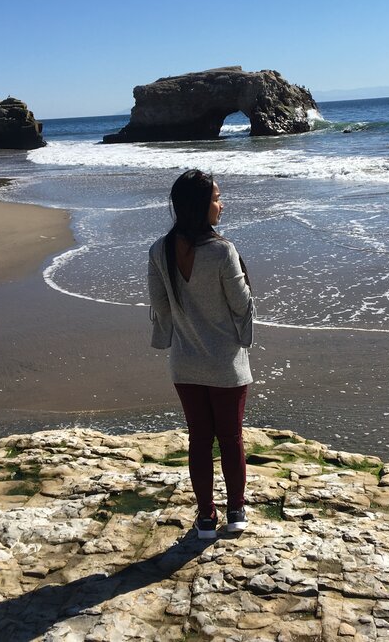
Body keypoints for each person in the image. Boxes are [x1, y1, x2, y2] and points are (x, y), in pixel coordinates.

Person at [147, 170, 255, 538]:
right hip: (225, 363)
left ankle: (206, 518)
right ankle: (236, 511)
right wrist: (243, 337)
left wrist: (179, 330)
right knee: (231, 438)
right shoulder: (223, 250)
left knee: (198, 439)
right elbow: (241, 306)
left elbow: (160, 306)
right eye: (216, 199)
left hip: (185, 362)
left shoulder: (158, 250)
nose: (221, 205)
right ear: (199, 205)